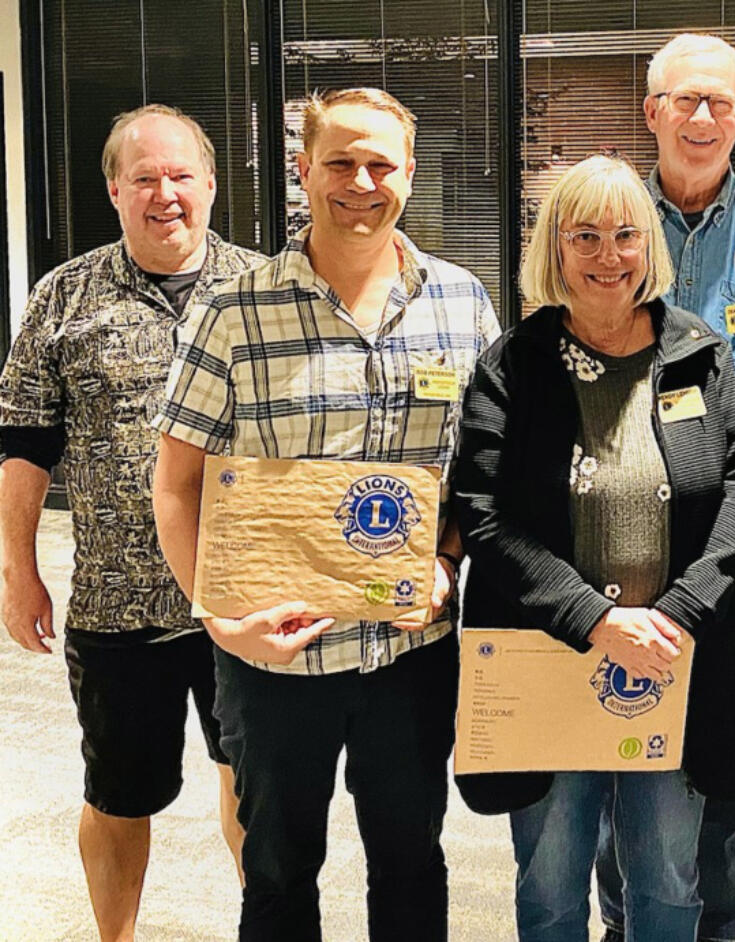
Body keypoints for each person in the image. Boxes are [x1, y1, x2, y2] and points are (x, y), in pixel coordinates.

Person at [150, 87, 499, 941]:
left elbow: (484, 476)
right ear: (304, 171)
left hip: (411, 654)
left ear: (409, 174)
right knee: (275, 869)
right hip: (274, 657)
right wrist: (220, 620)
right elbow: (175, 483)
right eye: (340, 161)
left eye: (381, 163)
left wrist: (449, 567)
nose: (361, 181)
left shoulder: (463, 306)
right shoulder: (234, 311)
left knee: (412, 864)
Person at [452, 153, 735, 942]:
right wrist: (593, 617)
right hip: (547, 653)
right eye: (584, 236)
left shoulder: (695, 351)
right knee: (552, 884)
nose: (608, 256)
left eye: (626, 234)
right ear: (553, 249)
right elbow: (482, 513)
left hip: (669, 654)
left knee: (665, 881)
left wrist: (682, 612)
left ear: (648, 247)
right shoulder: (512, 366)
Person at [0, 104, 262, 942]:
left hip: (244, 599)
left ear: (212, 184)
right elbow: (24, 442)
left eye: (181, 175)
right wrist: (17, 568)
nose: (166, 195)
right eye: (144, 178)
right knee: (117, 793)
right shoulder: (63, 298)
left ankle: (268, 924)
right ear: (114, 189)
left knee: (254, 782)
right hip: (119, 606)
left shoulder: (267, 291)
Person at [598, 33, 735, 942]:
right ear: (651, 110)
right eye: (684, 100)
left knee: (730, 752)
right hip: (618, 536)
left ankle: (721, 926)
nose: (702, 118)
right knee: (621, 740)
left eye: (721, 103)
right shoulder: (606, 214)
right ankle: (626, 920)